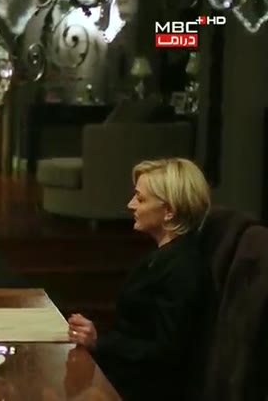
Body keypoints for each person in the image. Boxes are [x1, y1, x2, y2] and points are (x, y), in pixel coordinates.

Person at [67, 157, 211, 401]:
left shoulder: (183, 268)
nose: (131, 205)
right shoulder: (162, 257)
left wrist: (99, 341)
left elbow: (167, 352)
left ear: (169, 212)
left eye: (141, 199)